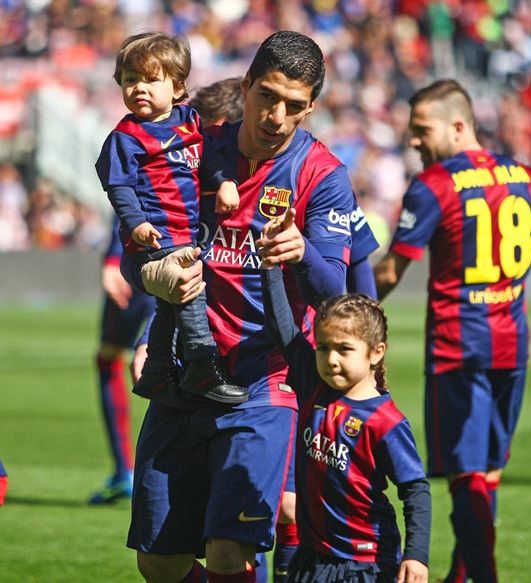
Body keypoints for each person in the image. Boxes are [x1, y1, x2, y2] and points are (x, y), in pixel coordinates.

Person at [126, 30, 355, 583]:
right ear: (246, 85)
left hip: (263, 386)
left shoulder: (321, 175)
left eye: (295, 106)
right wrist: (151, 283)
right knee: (159, 562)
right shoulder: (193, 150)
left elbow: (335, 294)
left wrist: (302, 253)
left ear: (312, 107)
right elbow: (139, 253)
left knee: (231, 551)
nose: (277, 116)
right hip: (183, 378)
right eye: (267, 97)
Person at [374, 79, 531, 583]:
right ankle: (462, 575)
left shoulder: (435, 184)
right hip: (513, 343)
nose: (414, 142)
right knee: (488, 471)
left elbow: (393, 271)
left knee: (466, 477)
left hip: (457, 348)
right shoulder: (527, 177)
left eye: (422, 131)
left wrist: (336, 312)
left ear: (458, 125)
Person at [259, 214, 430, 583]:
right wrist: (271, 266)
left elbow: (415, 489)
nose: (330, 358)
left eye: (343, 349)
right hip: (311, 556)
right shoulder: (312, 383)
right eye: (322, 348)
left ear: (376, 352)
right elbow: (281, 328)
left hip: (364, 564)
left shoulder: (386, 421)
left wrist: (416, 556)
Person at [95, 31, 247, 406]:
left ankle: (156, 371)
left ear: (178, 87)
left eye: (150, 79)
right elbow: (119, 188)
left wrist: (224, 182)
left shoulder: (190, 122)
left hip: (185, 234)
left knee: (169, 303)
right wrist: (137, 223)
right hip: (155, 240)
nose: (139, 89)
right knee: (188, 287)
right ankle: (200, 366)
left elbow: (209, 159)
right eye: (130, 80)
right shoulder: (126, 138)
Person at [89, 216, 155, 504]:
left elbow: (128, 190)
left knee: (111, 359)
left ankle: (125, 471)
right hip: (186, 259)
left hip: (137, 262)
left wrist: (114, 256)